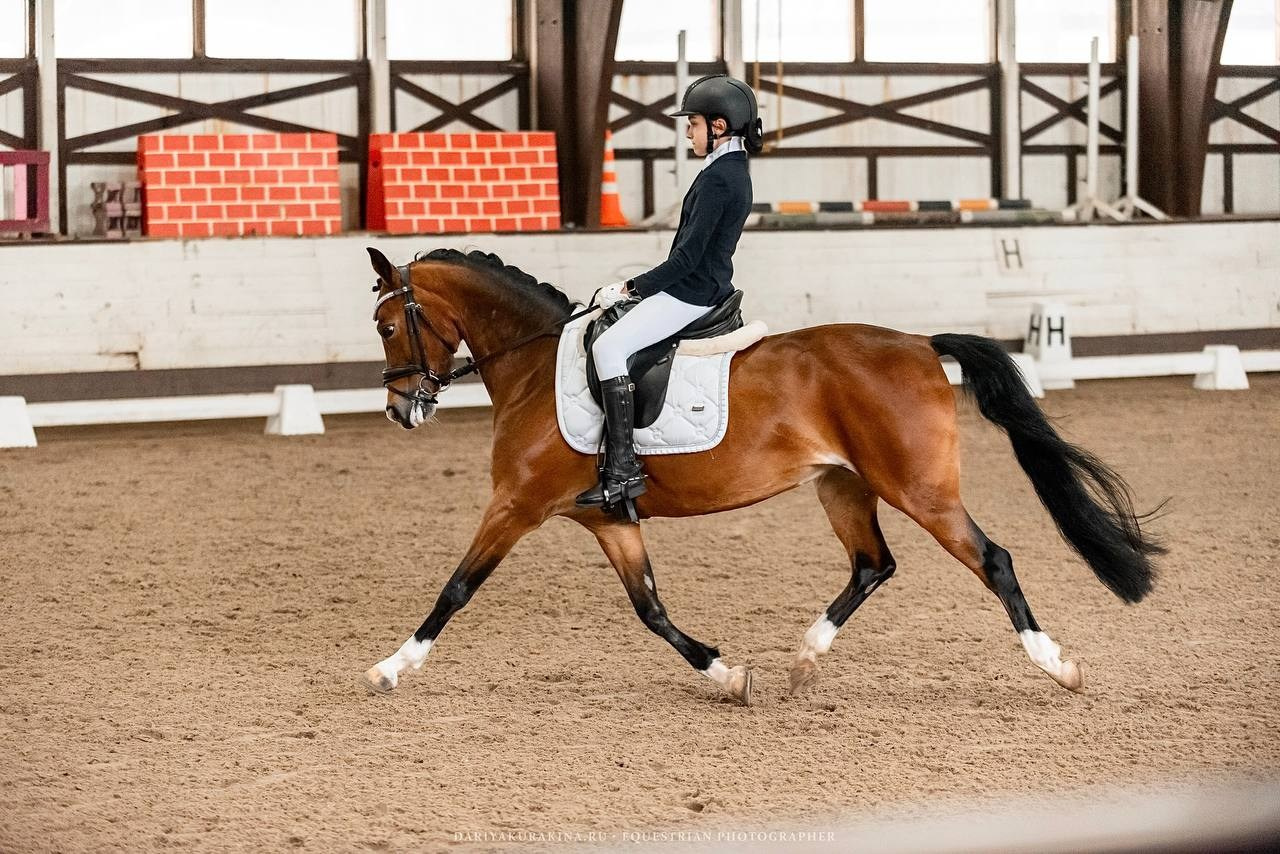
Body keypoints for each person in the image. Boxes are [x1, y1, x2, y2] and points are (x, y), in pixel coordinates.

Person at [576, 74, 764, 512]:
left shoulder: (721, 178)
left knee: (607, 349)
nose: (688, 131)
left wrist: (628, 288)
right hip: (696, 285)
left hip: (693, 293)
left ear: (719, 127)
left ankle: (623, 470)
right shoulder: (726, 169)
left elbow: (686, 261)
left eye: (693, 123)